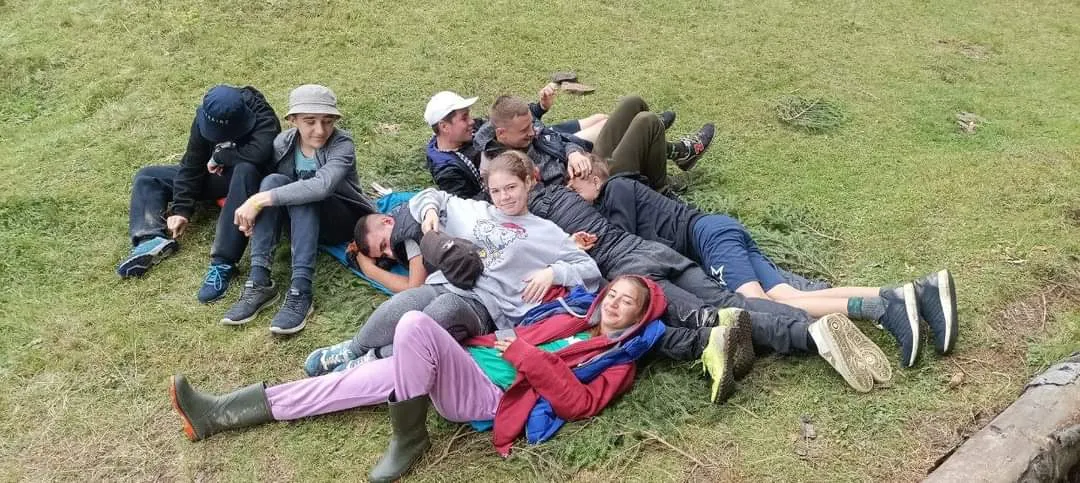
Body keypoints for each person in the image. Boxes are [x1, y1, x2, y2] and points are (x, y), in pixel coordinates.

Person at [169, 275, 683, 482]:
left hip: (490, 395)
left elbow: (579, 404)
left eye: (627, 303)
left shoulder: (619, 361)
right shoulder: (570, 314)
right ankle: (219, 414)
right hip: (467, 362)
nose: (615, 304)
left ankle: (410, 437)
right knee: (347, 384)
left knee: (415, 324)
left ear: (639, 316)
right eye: (614, 295)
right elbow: (528, 310)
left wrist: (525, 355)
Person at [567, 154, 959, 367]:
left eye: (575, 183)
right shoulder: (620, 190)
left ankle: (881, 309)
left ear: (595, 177)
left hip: (709, 238)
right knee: (789, 293)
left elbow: (631, 244)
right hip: (719, 233)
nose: (571, 189)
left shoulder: (616, 190)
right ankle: (914, 293)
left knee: (762, 304)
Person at [526, 180, 906, 397]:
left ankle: (811, 334)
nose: (504, 197)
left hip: (633, 272)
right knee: (729, 301)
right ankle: (822, 322)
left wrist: (554, 264)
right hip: (655, 251)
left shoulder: (534, 225)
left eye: (507, 189)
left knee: (719, 316)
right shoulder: (565, 192)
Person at [303, 150, 603, 376]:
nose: (504, 198)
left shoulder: (546, 232)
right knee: (411, 300)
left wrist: (553, 272)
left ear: (528, 182)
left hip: (488, 307)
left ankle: (374, 358)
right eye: (496, 191)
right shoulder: (477, 210)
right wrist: (431, 211)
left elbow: (589, 270)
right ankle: (353, 348)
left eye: (511, 188)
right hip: (449, 282)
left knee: (441, 312)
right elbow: (429, 196)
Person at [220, 85, 375, 334]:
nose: (320, 130)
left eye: (327, 121)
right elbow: (264, 179)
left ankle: (301, 289)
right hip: (300, 223)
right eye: (310, 122)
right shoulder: (283, 143)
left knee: (305, 191)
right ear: (293, 120)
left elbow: (322, 187)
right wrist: (253, 206)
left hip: (340, 221)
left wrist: (258, 201)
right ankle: (259, 280)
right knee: (272, 181)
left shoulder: (342, 144)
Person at [116, 84, 281, 304]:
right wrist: (181, 209)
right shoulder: (205, 116)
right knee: (148, 176)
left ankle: (223, 263)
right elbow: (193, 163)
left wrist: (219, 156)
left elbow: (260, 154)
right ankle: (150, 238)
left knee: (245, 168)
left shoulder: (261, 115)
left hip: (254, 180)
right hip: (219, 176)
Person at [473, 94, 714, 195]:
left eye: (531, 125)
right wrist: (574, 181)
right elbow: (540, 202)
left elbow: (557, 138)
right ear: (501, 134)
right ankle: (662, 190)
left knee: (633, 103)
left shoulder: (520, 128)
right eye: (525, 131)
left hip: (586, 161)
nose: (533, 131)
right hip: (590, 189)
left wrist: (573, 153)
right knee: (646, 122)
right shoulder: (502, 167)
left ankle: (667, 162)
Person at [424, 87, 607, 200]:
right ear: (444, 127)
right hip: (537, 143)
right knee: (603, 126)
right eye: (464, 118)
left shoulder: (467, 133)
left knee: (600, 118)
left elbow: (508, 118)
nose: (472, 121)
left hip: (542, 137)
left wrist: (539, 108)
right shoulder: (450, 170)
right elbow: (473, 203)